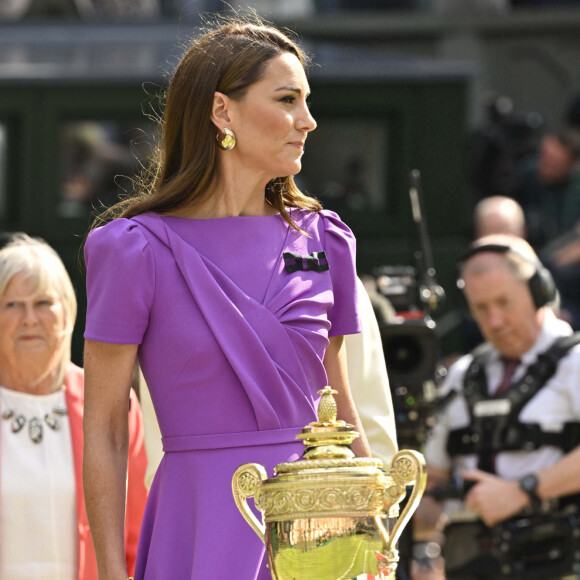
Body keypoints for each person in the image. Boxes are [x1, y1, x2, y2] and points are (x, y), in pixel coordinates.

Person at [82, 16, 372, 580]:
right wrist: (112, 571)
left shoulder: (327, 239)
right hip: (198, 526)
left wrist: (373, 532)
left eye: (307, 101)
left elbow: (338, 406)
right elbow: (106, 430)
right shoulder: (131, 249)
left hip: (319, 535)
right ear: (222, 111)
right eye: (288, 99)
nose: (308, 122)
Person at [415, 233, 580, 580]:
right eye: (481, 308)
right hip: (470, 564)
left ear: (540, 293)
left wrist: (522, 491)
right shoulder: (462, 375)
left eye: (504, 303)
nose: (494, 322)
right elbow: (434, 483)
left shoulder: (575, 362)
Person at [0, 232, 147, 580]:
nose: (30, 319)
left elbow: (138, 533)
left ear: (68, 313)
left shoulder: (113, 403)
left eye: (43, 303)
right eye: (12, 305)